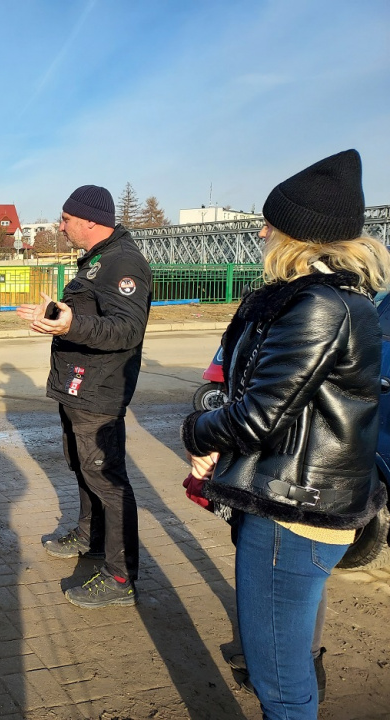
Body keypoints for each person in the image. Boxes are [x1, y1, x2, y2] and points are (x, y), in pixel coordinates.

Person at [181, 149, 390, 719]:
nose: (260, 230)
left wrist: (198, 431)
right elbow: (283, 404)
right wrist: (217, 445)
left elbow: (257, 415)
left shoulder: (319, 306)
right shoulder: (329, 300)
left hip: (294, 510)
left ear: (296, 233)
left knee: (281, 681)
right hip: (293, 492)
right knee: (283, 664)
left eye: (269, 221)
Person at [17, 185, 150, 608]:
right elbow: (91, 315)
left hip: (99, 392)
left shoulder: (123, 263)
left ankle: (121, 577)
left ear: (90, 221)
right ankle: (90, 538)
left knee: (108, 481)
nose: (61, 225)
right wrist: (57, 317)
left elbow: (127, 329)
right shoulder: (97, 260)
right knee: (84, 468)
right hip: (78, 386)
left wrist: (71, 325)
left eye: (66, 219)